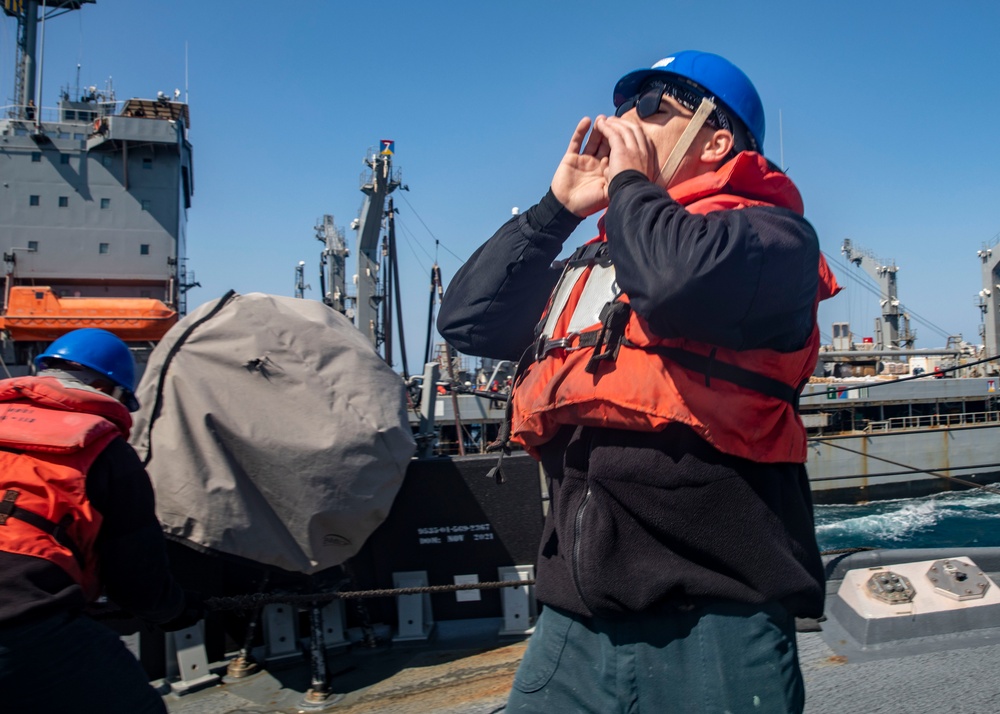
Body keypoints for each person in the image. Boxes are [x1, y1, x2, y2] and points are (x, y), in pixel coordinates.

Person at [438, 50, 840, 713]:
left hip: (716, 622)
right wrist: (556, 210)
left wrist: (629, 182)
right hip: (573, 618)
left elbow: (674, 281)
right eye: (626, 106)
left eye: (655, 108)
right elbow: (469, 322)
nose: (624, 119)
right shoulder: (604, 260)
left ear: (715, 140)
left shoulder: (770, 239)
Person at [0, 328, 200, 714]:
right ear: (106, 390)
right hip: (20, 621)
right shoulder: (103, 450)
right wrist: (177, 610)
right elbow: (137, 581)